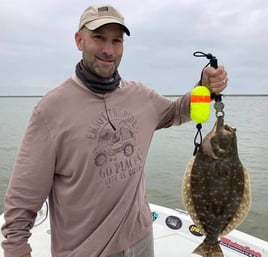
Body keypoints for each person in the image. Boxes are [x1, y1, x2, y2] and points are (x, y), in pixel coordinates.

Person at [1, 4, 228, 257]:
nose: (108, 50)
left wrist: (205, 87)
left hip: (141, 239)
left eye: (116, 41)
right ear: (79, 40)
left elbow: (178, 110)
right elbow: (23, 196)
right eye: (99, 38)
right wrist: (16, 248)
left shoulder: (141, 96)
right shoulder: (50, 110)